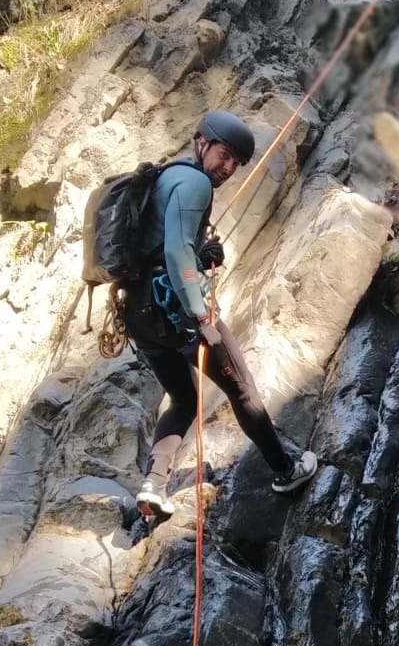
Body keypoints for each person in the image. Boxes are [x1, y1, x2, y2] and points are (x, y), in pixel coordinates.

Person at [123, 109, 318, 521]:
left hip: (140, 314)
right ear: (202, 142)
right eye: (224, 155)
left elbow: (165, 245)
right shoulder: (194, 182)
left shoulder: (167, 175)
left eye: (236, 162)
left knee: (184, 398)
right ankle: (286, 470)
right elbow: (176, 252)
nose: (228, 168)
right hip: (178, 313)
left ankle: (153, 486)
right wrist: (200, 315)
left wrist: (201, 254)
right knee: (242, 389)